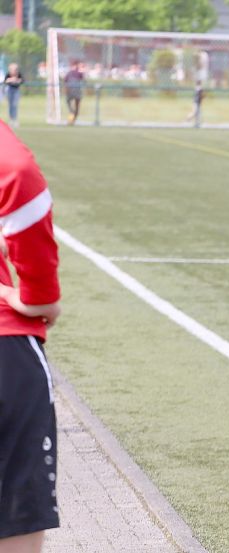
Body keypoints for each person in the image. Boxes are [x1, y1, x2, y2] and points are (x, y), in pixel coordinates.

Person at [0, 121, 62, 553]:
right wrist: (37, 297)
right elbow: (17, 171)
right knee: (16, 518)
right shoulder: (9, 157)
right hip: (7, 349)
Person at [64, 61, 84, 125]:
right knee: (76, 105)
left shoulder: (70, 73)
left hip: (72, 90)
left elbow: (65, 81)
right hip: (74, 90)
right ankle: (73, 117)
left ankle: (72, 115)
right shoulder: (74, 73)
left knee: (71, 103)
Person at [3, 63, 24, 127]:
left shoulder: (18, 74)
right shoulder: (8, 74)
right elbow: (5, 81)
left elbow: (22, 80)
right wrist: (11, 80)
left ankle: (15, 120)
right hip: (9, 90)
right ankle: (11, 120)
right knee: (10, 106)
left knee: (15, 105)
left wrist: (17, 80)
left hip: (16, 90)